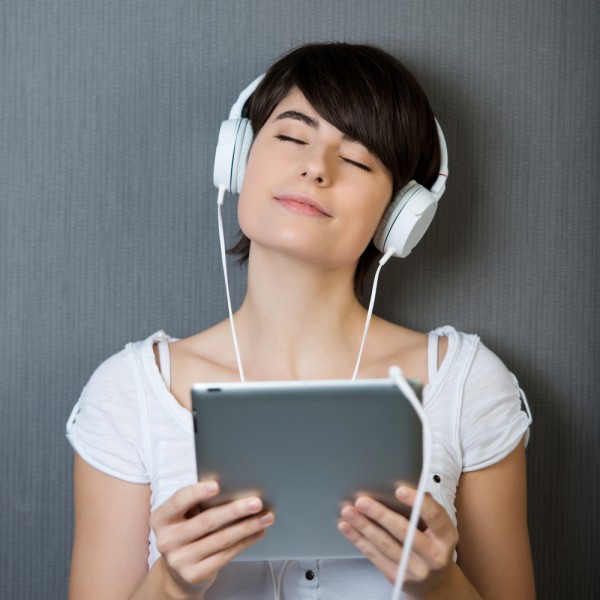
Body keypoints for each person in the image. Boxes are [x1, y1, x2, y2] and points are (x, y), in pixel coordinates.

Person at [66, 43, 535, 599]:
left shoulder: (466, 384)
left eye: (358, 160)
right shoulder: (131, 393)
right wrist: (172, 581)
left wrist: (439, 583)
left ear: (400, 215)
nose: (317, 167)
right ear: (237, 157)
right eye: (292, 135)